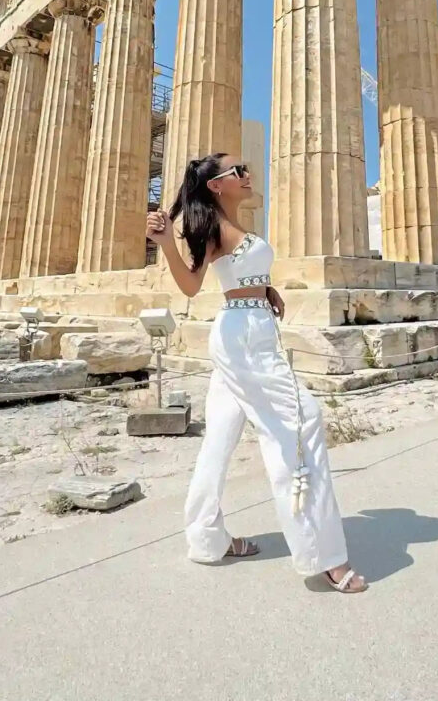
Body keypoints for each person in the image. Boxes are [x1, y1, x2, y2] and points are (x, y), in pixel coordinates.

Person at [146, 152, 367, 594]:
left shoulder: (236, 226)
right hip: (244, 337)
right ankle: (323, 557)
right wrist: (167, 244)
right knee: (302, 422)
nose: (248, 175)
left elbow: (238, 271)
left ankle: (207, 539)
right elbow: (191, 285)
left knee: (220, 437)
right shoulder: (208, 227)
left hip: (248, 328)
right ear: (217, 185)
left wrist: (265, 288)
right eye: (239, 171)